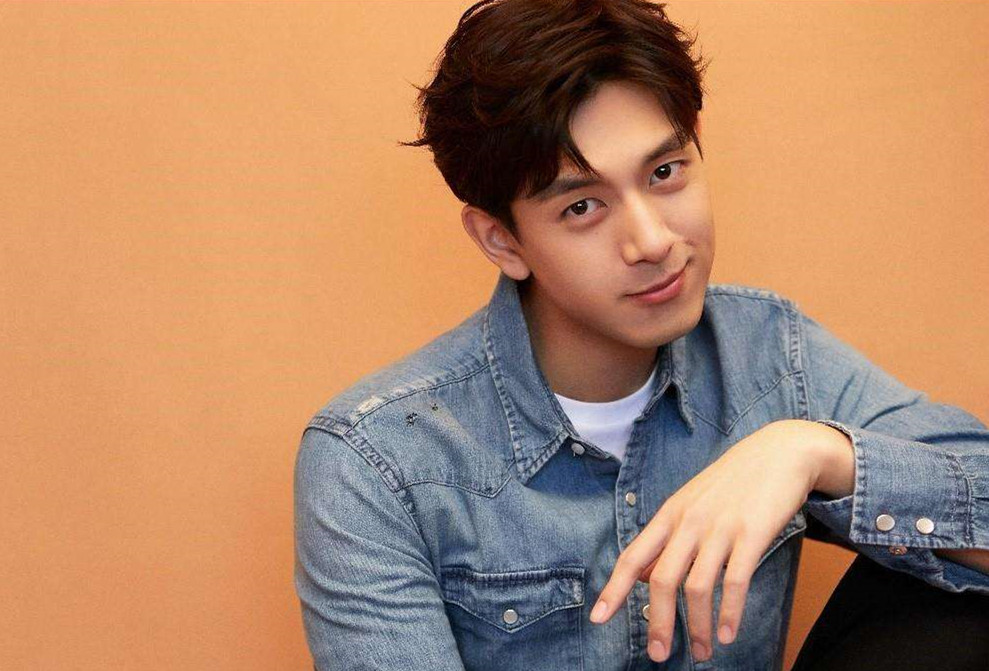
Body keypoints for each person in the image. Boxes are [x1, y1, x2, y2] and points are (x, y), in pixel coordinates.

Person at [293, 1, 989, 669]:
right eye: (582, 207)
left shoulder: (772, 356)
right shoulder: (376, 460)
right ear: (502, 240)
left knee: (947, 587)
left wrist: (812, 451)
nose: (652, 241)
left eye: (664, 172)